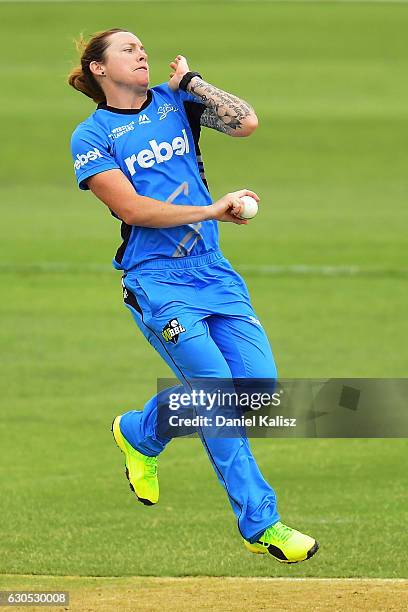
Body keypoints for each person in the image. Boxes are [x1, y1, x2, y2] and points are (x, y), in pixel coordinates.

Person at [68, 28, 319, 563]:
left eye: (142, 48)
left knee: (255, 389)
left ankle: (140, 432)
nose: (142, 54)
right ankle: (263, 522)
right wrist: (212, 211)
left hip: (213, 272)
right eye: (128, 49)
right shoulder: (91, 138)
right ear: (98, 68)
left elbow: (245, 122)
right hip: (156, 280)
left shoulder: (176, 101)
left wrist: (195, 82)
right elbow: (133, 210)